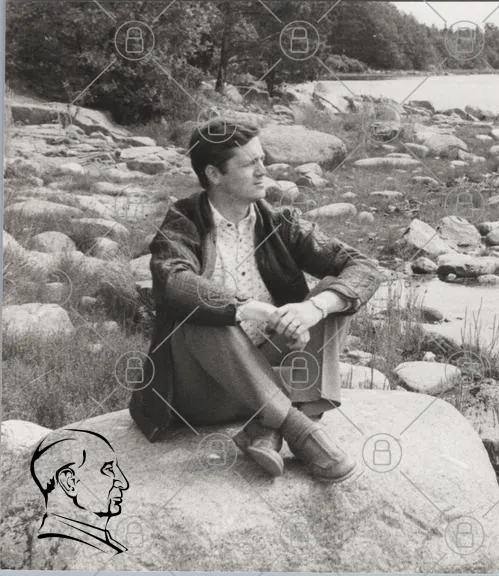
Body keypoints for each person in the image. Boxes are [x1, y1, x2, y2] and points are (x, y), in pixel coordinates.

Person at [128, 119, 382, 483]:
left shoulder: (280, 221)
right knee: (201, 310)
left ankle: (265, 427)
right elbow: (173, 283)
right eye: (250, 164)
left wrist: (313, 308)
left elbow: (364, 267)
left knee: (334, 292)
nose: (264, 171)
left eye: (262, 159)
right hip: (202, 392)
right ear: (214, 174)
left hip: (271, 377)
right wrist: (246, 308)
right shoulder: (182, 223)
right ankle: (298, 426)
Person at [30, 429, 129, 554]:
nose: (123, 483)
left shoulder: (103, 544)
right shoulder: (61, 550)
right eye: (108, 469)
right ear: (69, 483)